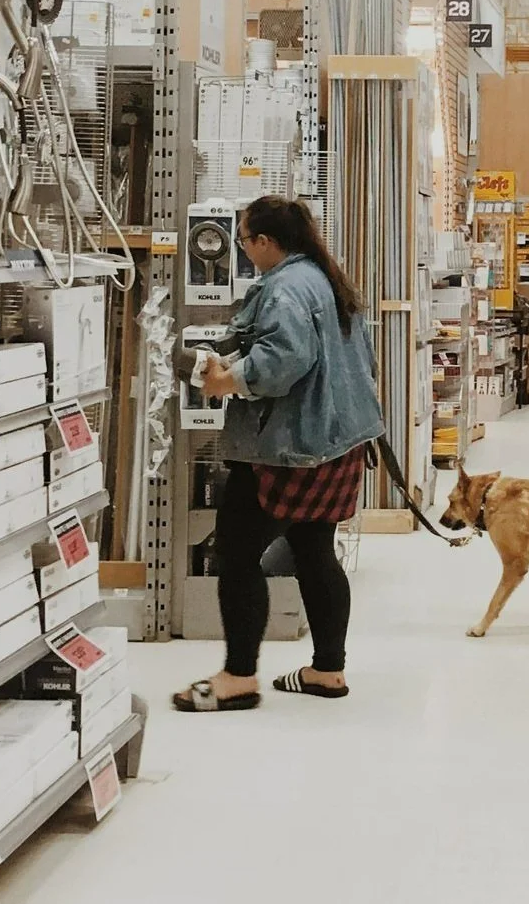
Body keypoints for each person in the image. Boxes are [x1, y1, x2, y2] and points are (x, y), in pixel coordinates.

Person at [172, 197, 384, 713]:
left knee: (237, 554)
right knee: (315, 552)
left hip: (290, 448)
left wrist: (231, 379)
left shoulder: (286, 288)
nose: (244, 250)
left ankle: (239, 678)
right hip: (335, 441)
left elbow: (284, 359)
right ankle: (326, 671)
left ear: (265, 242)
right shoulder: (324, 278)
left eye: (244, 240)